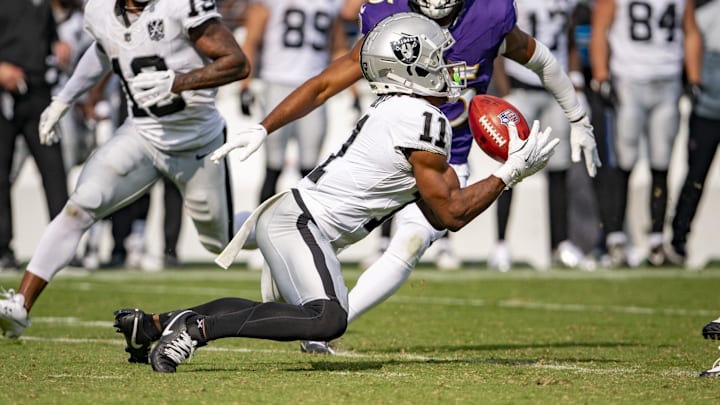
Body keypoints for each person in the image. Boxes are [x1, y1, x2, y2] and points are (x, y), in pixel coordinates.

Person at [114, 13, 559, 372]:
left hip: (299, 220)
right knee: (327, 318)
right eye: (436, 58)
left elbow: (444, 208)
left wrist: (503, 173)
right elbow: (452, 213)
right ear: (410, 66)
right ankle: (194, 330)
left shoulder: (403, 109)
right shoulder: (423, 120)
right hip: (300, 224)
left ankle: (154, 325)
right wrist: (511, 171)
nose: (446, 67)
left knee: (294, 310)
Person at [209, 0, 601, 353]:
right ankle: (229, 234)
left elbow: (543, 61)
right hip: (390, 152)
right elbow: (329, 82)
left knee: (411, 242)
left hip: (447, 156)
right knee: (312, 220)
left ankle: (321, 329)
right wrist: (264, 127)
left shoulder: (490, 15)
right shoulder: (387, 16)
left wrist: (578, 116)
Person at [0, 0, 250, 338]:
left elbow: (237, 63)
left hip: (197, 143)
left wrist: (178, 82)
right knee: (82, 204)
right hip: (143, 135)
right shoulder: (101, 10)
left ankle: (273, 226)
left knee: (222, 241)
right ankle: (20, 306)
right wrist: (65, 99)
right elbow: (104, 49)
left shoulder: (180, 6)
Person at [590, 0, 702, 267]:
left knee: (661, 164)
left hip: (668, 81)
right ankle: (616, 239)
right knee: (625, 161)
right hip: (630, 80)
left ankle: (655, 241)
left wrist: (694, 78)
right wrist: (602, 75)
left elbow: (691, 31)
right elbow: (600, 29)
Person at [239, 0, 348, 270]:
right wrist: (245, 82)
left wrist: (354, 91)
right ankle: (260, 240)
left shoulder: (331, 4)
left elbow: (338, 48)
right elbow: (252, 38)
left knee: (310, 171)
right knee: (273, 166)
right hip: (278, 84)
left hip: (315, 87)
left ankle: (309, 237)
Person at [488, 0, 593, 271]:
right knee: (510, 170)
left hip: (553, 90)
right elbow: (498, 44)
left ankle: (560, 243)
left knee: (559, 171)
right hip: (520, 88)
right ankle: (500, 244)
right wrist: (505, 92)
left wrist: (577, 85)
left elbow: (568, 40)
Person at [0, 0, 70, 271]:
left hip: (39, 91)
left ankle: (63, 251)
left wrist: (58, 47)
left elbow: (48, 38)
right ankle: (3, 250)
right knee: (0, 175)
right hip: (4, 95)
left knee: (55, 172)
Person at [669, 0, 718, 266]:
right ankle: (679, 239)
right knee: (695, 177)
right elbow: (688, 44)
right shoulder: (707, 15)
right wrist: (693, 82)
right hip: (709, 111)